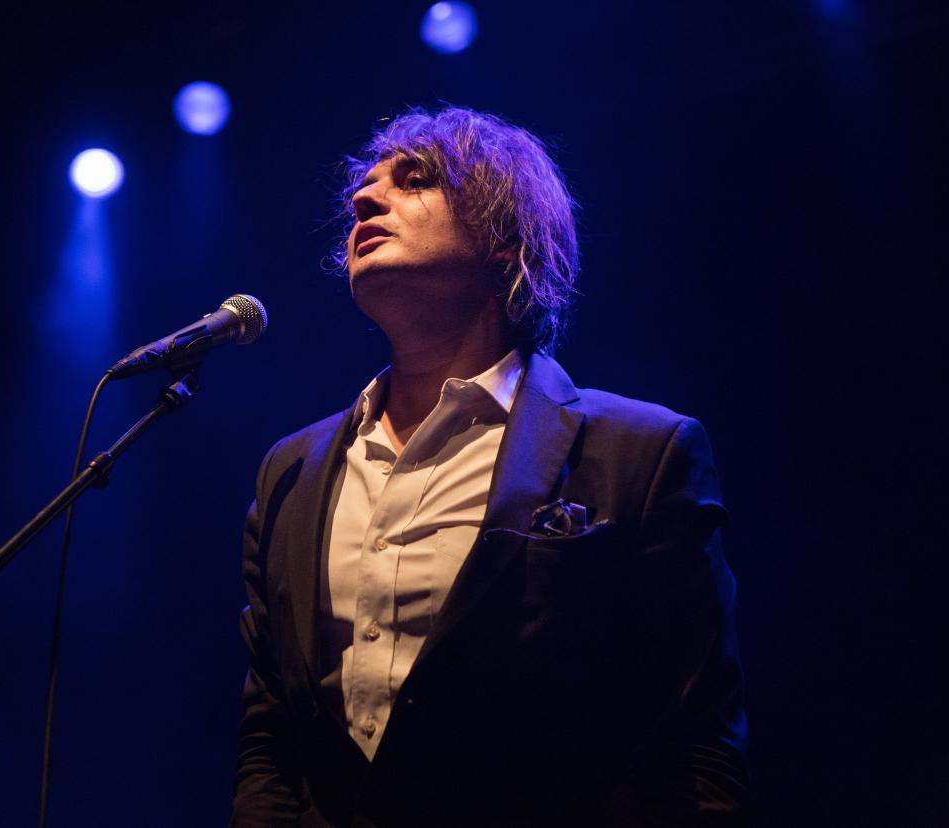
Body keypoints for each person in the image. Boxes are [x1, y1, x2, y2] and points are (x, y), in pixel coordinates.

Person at [234, 107, 749, 826]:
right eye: (366, 184)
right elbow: (272, 740)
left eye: (415, 181)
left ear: (508, 242)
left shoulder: (640, 452)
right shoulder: (290, 470)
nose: (363, 198)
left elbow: (695, 749)